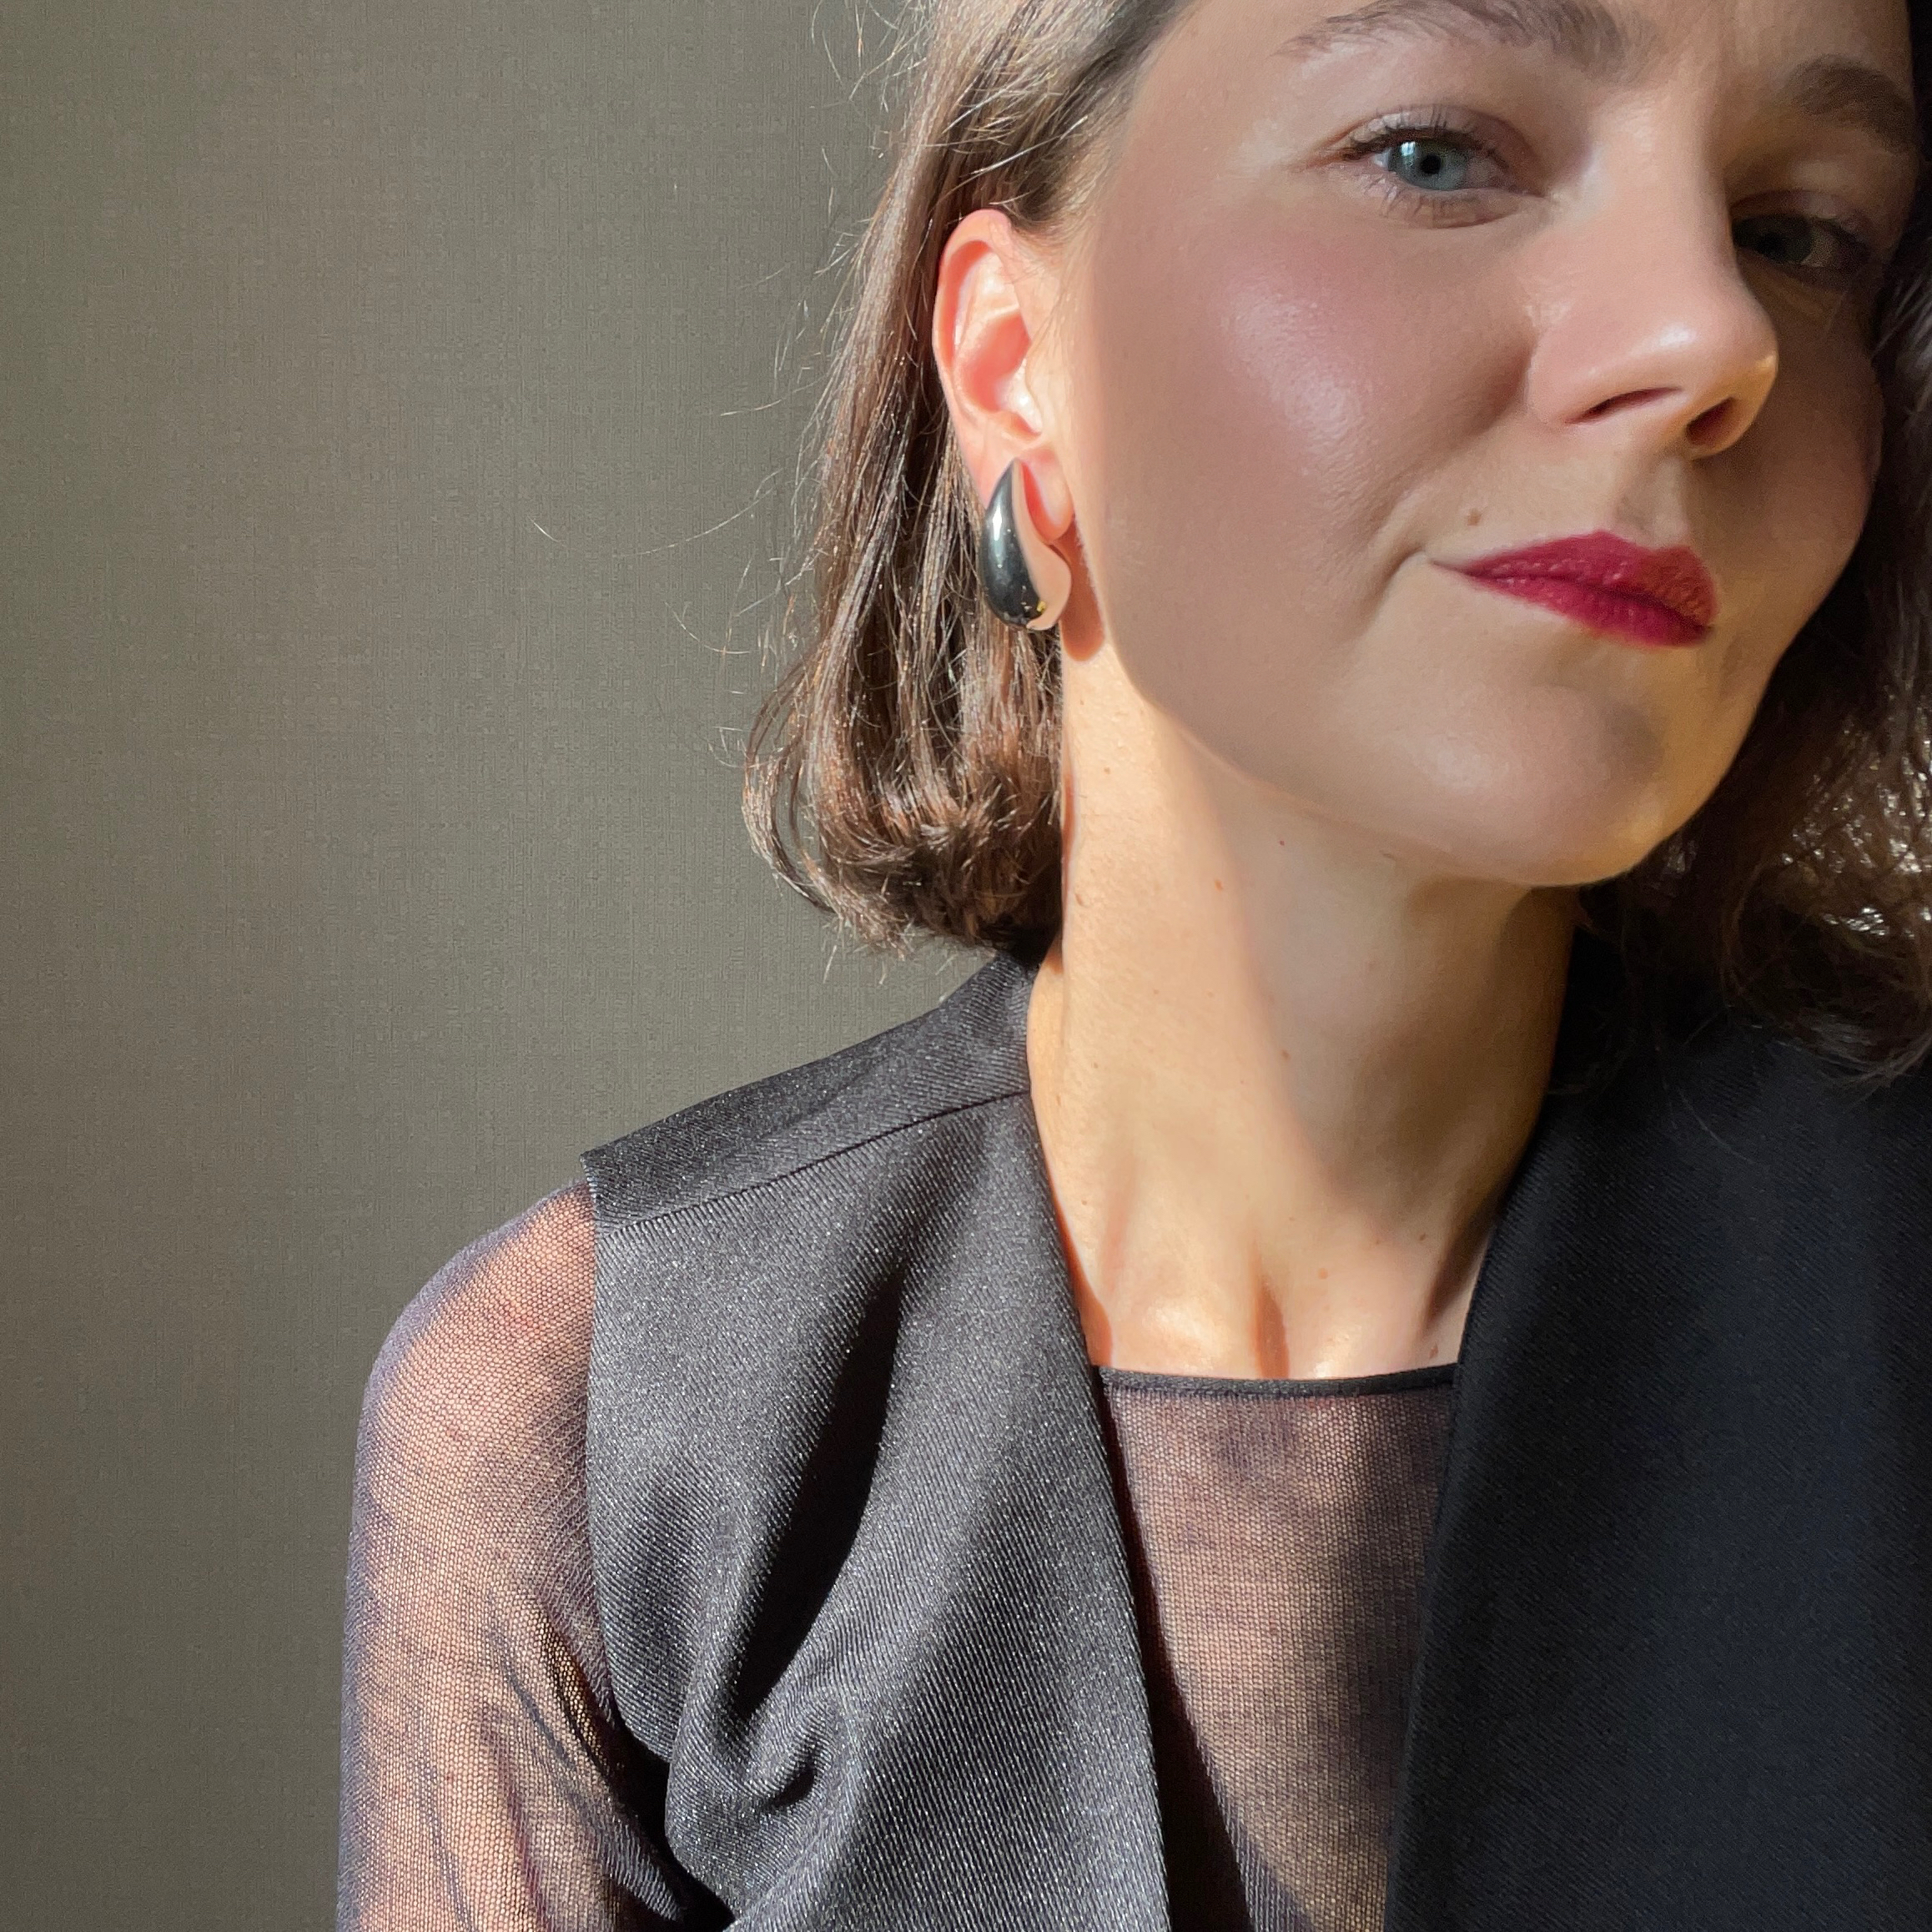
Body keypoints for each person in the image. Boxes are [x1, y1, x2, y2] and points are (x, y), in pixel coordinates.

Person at [337, 0, 1932, 1924]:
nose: (1711, 337)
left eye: (1797, 233)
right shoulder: (600, 1420)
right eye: (1435, 152)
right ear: (1017, 367)